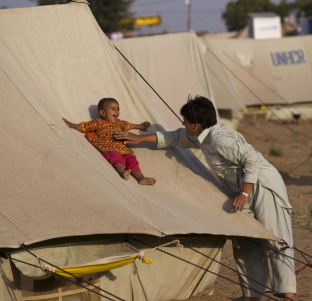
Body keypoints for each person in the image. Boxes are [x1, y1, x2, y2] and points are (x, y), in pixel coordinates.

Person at [114, 96, 297, 301]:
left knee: (276, 238)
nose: (183, 124)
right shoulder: (199, 136)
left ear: (196, 124)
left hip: (262, 185)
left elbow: (252, 159)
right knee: (245, 239)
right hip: (241, 189)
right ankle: (252, 296)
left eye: (186, 121)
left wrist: (245, 193)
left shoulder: (220, 139)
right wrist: (139, 139)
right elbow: (174, 137)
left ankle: (288, 294)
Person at [63, 97, 156, 185]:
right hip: (109, 148)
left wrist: (140, 126)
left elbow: (128, 125)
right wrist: (73, 125)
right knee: (115, 159)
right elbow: (85, 126)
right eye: (113, 109)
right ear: (103, 113)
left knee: (132, 160)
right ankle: (123, 172)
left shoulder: (119, 122)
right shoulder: (98, 123)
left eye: (118, 109)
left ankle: (141, 178)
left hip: (124, 148)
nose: (117, 112)